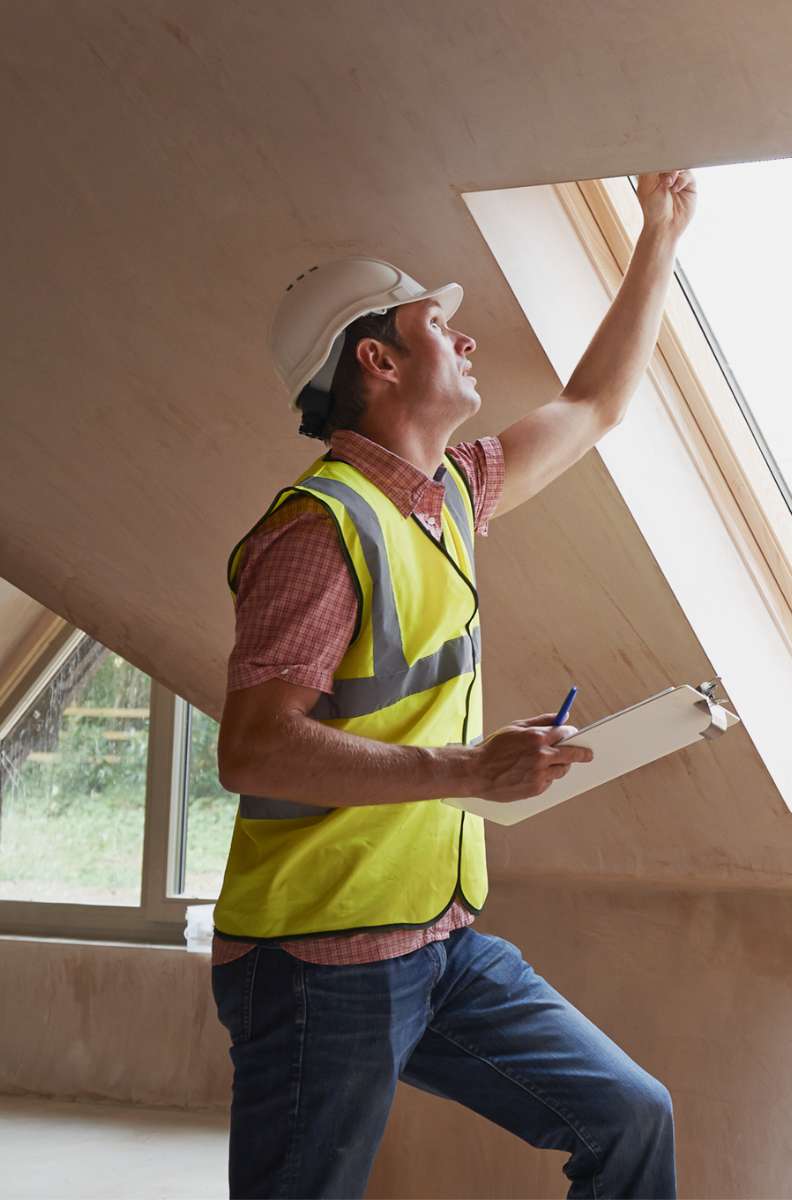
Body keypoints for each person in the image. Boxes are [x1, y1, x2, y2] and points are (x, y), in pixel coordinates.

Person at [212, 169, 697, 1200]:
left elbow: (594, 402)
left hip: (439, 944)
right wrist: (470, 766)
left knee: (631, 1116)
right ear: (377, 360)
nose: (468, 339)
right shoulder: (319, 525)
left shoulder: (448, 497)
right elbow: (252, 747)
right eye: (442, 323)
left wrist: (659, 231)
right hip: (316, 962)